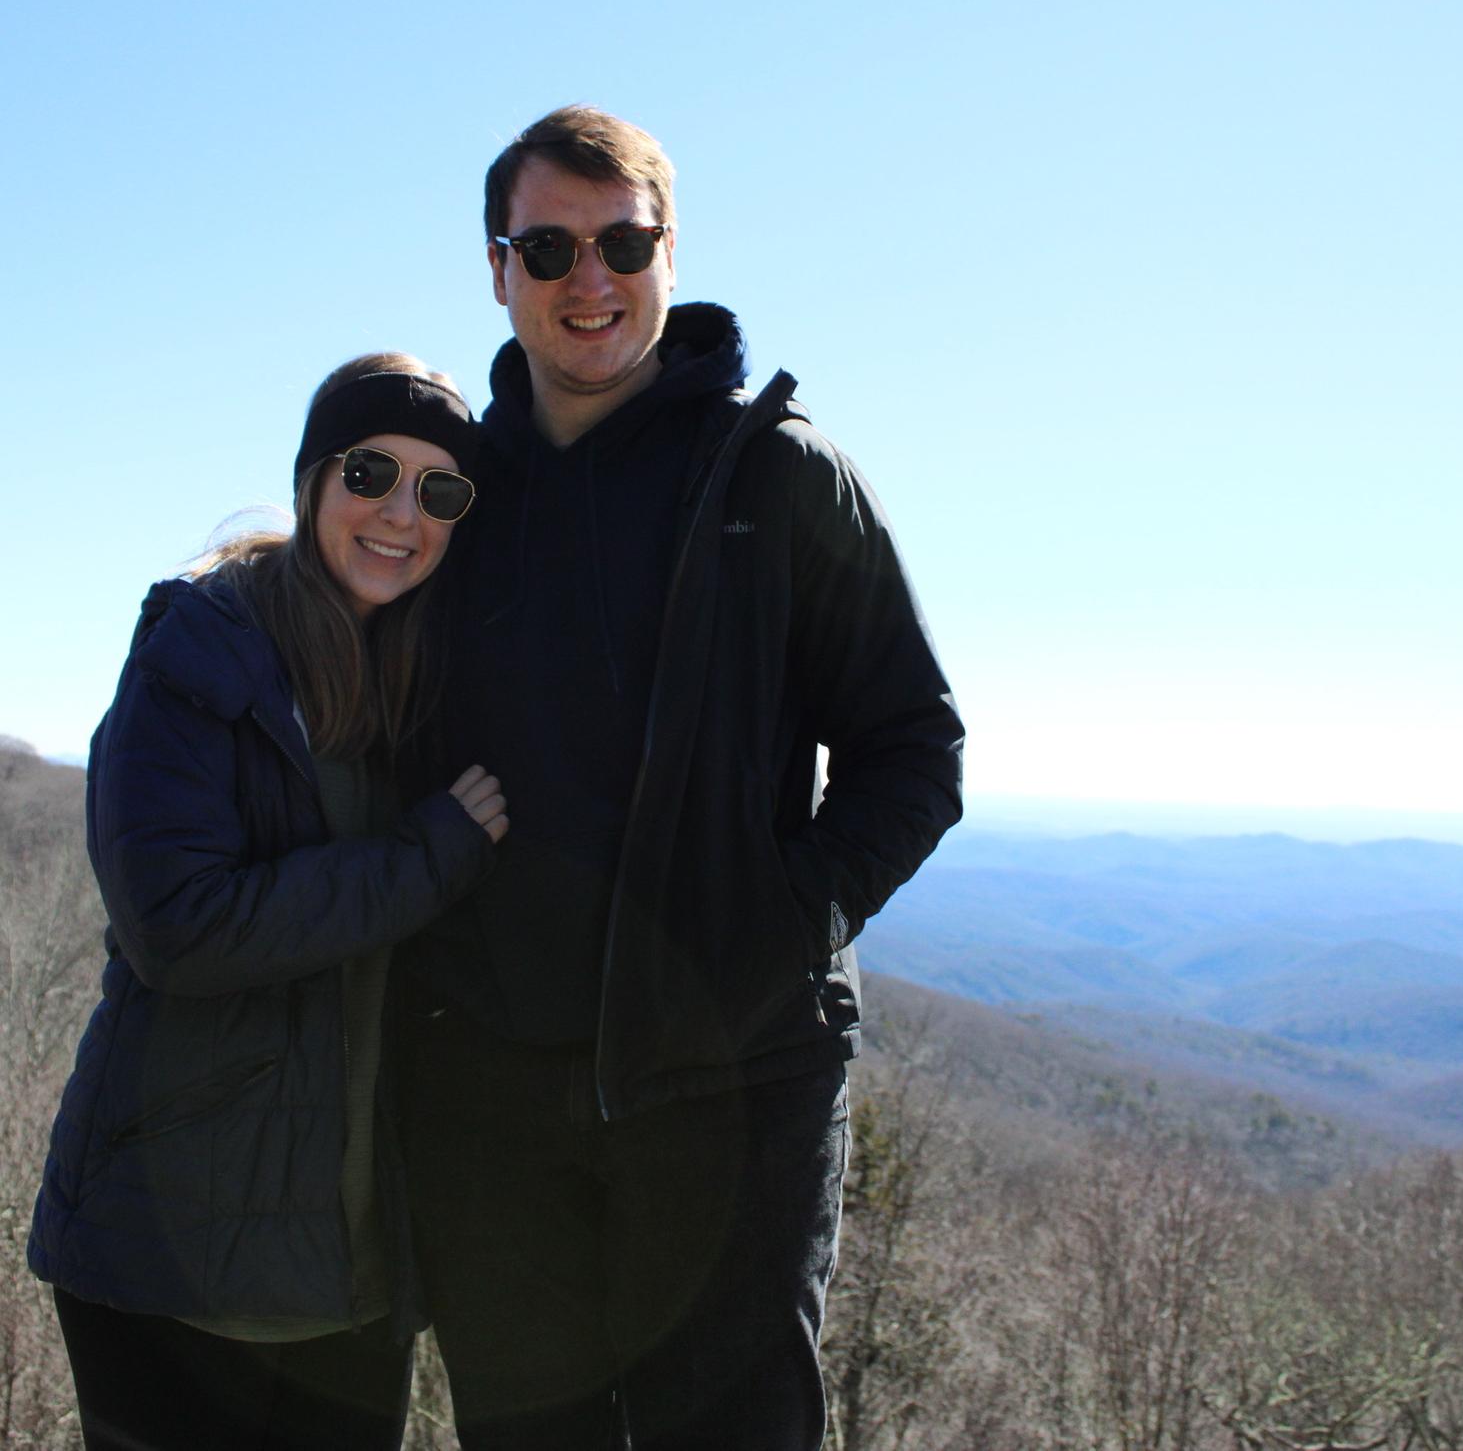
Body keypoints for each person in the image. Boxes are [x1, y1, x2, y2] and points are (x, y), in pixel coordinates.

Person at [394, 105, 964, 1451]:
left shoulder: (773, 474)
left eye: (621, 242)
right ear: (496, 269)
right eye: (547, 248)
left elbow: (911, 747)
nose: (588, 279)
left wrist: (783, 925)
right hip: (493, 1107)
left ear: (667, 251)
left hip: (734, 1092)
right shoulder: (459, 500)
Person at [28, 353, 507, 1451]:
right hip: (169, 1259)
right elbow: (177, 926)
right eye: (372, 472)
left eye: (440, 492)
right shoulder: (205, 647)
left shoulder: (422, 676)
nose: (401, 513)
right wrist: (428, 855)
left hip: (349, 1270)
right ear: (311, 479)